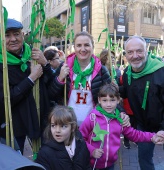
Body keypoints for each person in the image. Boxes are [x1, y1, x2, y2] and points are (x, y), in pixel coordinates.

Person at [0, 19, 53, 154]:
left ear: (23, 35)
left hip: (38, 118)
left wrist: (45, 64)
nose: (13, 39)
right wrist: (31, 78)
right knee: (14, 161)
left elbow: (51, 85)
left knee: (44, 158)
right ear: (0, 38)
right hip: (11, 123)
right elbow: (7, 98)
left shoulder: (34, 55)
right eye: (7, 35)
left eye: (16, 34)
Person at [47, 31, 130, 126]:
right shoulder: (64, 66)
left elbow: (111, 95)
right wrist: (60, 79)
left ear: (92, 47)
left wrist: (122, 113)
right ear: (74, 47)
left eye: (86, 45)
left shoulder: (101, 70)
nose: (83, 49)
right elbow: (51, 95)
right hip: (68, 124)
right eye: (79, 45)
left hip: (93, 124)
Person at [79, 83, 164, 170]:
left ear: (118, 100)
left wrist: (152, 137)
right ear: (99, 100)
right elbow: (80, 138)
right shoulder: (92, 118)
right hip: (91, 164)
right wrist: (91, 151)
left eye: (112, 100)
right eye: (105, 100)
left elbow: (134, 134)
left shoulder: (120, 120)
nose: (108, 104)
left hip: (110, 165)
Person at [119, 35, 164, 170]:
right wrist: (116, 89)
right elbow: (127, 92)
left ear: (146, 51)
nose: (135, 56)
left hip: (162, 124)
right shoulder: (127, 73)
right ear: (125, 55)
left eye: (139, 51)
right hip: (143, 127)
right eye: (130, 52)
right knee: (144, 160)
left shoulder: (161, 71)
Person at [35, 105, 92, 170]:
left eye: (63, 126)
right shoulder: (45, 153)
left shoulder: (81, 144)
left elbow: (87, 166)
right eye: (53, 126)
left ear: (73, 127)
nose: (57, 130)